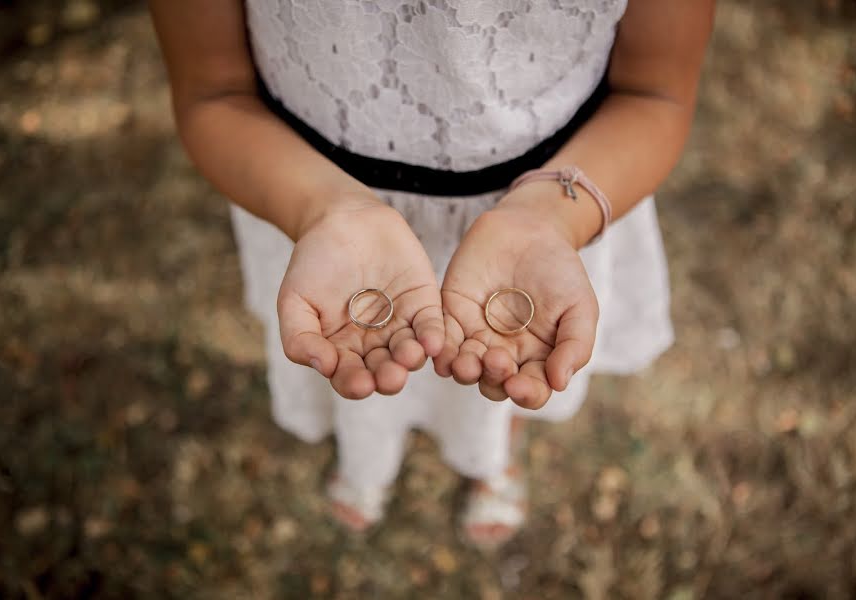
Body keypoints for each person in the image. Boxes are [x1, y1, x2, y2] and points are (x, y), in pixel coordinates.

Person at [149, 0, 714, 548]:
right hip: (312, 193)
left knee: (512, 358)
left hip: (549, 198)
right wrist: (322, 209)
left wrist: (551, 220)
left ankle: (496, 455)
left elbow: (655, 93)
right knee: (360, 355)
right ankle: (366, 457)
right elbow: (213, 91)